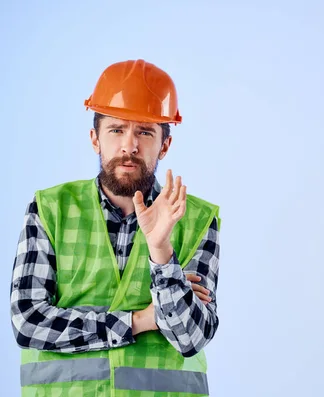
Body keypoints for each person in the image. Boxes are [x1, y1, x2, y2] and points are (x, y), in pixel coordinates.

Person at [9, 59, 221, 396]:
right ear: (95, 138)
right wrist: (140, 321)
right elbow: (29, 321)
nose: (129, 146)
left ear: (164, 145)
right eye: (117, 129)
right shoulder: (50, 209)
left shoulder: (195, 218)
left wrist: (161, 252)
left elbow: (191, 337)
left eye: (145, 132)